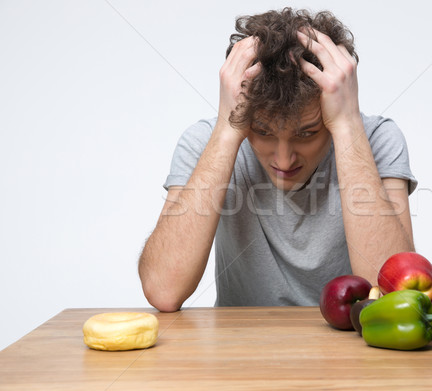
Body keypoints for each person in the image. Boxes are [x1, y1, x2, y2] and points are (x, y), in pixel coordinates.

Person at [138, 8, 417, 311]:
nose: (284, 161)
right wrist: (227, 128)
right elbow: (164, 290)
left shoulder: (377, 140)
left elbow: (395, 297)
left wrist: (348, 125)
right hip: (242, 350)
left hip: (351, 353)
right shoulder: (205, 142)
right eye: (262, 131)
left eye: (307, 133)